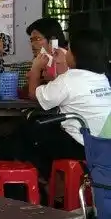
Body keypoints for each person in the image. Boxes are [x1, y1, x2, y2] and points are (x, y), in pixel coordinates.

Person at [25, 28, 111, 178]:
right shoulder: (102, 78)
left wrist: (35, 68)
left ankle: (46, 182)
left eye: (69, 50)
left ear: (77, 55)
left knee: (29, 130)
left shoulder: (69, 78)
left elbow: (33, 95)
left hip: (79, 146)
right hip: (103, 146)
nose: (66, 54)